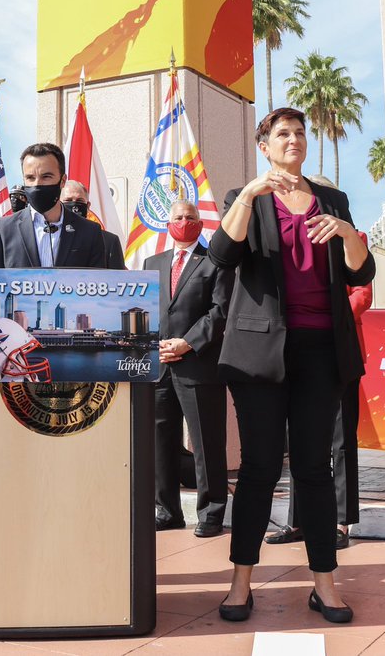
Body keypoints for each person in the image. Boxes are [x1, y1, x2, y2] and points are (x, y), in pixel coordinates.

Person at [208, 108, 374, 624]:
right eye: (283, 133)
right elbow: (221, 255)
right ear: (265, 145)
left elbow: (361, 270)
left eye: (301, 133)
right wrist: (254, 193)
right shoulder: (246, 198)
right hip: (260, 354)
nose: (294, 140)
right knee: (259, 468)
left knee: (314, 469)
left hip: (322, 350)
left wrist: (348, 233)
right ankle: (240, 583)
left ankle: (325, 584)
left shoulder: (332, 200)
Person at [268, 177, 372, 550]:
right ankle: (299, 519)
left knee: (341, 439)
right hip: (297, 347)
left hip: (337, 349)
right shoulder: (288, 231)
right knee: (302, 442)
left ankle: (342, 521)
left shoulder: (351, 235)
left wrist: (332, 308)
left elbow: (362, 292)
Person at [145, 199, 232, 538]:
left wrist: (188, 342)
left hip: (198, 365)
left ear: (200, 221)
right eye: (178, 217)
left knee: (206, 442)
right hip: (160, 366)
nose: (184, 221)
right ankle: (166, 511)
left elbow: (219, 312)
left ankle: (211, 512)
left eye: (190, 216)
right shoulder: (153, 263)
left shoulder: (215, 262)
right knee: (160, 443)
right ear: (168, 223)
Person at [0, 143, 106, 269]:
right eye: (30, 177)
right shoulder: (2, 230)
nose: (37, 184)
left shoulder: (90, 232)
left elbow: (97, 284)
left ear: (62, 181)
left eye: (46, 176)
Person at [61, 180, 126, 270]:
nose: (74, 206)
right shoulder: (50, 237)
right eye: (68, 200)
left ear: (88, 206)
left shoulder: (109, 241)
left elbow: (118, 280)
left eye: (79, 200)